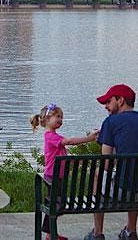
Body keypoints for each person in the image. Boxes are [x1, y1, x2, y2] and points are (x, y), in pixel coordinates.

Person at [87, 84, 138, 240]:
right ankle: (131, 230)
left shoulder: (111, 122)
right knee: (136, 173)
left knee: (100, 173)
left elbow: (107, 165)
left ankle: (97, 233)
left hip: (126, 193)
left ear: (120, 100)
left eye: (108, 102)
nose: (106, 106)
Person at [30, 102, 100, 240]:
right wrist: (89, 138)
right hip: (52, 177)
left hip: (58, 176)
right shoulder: (50, 136)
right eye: (57, 116)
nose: (61, 120)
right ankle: (50, 234)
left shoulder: (55, 136)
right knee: (56, 204)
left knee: (56, 204)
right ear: (47, 119)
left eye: (61, 117)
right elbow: (69, 141)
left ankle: (51, 233)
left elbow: (61, 154)